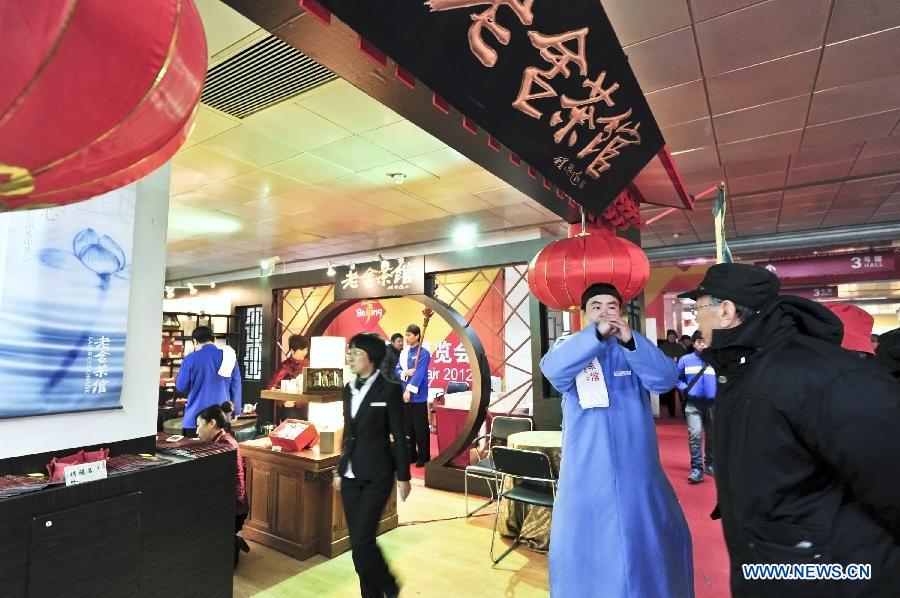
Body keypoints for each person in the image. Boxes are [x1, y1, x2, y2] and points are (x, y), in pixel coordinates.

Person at [679, 263, 900, 596]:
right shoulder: (744, 369)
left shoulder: (822, 376)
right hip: (778, 564)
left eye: (699, 307)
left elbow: (889, 479)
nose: (696, 318)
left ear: (725, 310)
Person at [540, 282, 693, 598]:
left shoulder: (634, 347)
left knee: (644, 546)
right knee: (586, 545)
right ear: (583, 315)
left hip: (636, 467)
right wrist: (594, 337)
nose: (605, 312)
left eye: (612, 306)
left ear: (622, 313)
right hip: (585, 470)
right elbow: (553, 371)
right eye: (596, 306)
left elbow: (665, 380)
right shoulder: (569, 348)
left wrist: (631, 341)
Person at [334, 332, 411, 598]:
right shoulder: (348, 389)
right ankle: (371, 594)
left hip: (377, 473)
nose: (351, 357)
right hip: (350, 475)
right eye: (350, 352)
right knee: (359, 544)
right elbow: (349, 432)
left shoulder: (389, 389)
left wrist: (404, 476)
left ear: (372, 358)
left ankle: (389, 586)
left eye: (356, 353)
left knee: (362, 540)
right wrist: (340, 468)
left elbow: (399, 434)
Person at [196, 400, 250, 567]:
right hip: (233, 506)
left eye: (199, 425)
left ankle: (232, 544)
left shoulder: (224, 445)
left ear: (212, 423)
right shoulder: (223, 440)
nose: (197, 430)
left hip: (233, 509)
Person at [176, 326, 241, 437]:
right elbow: (236, 386)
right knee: (220, 453)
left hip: (195, 420)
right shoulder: (229, 357)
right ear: (214, 339)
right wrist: (236, 410)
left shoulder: (190, 359)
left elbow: (181, 387)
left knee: (195, 453)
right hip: (222, 417)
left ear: (195, 341)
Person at [676, 330, 716, 484]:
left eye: (703, 341)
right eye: (698, 341)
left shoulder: (715, 360)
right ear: (693, 343)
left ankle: (710, 464)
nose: (701, 344)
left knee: (712, 436)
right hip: (693, 404)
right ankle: (697, 468)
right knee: (696, 435)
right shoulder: (685, 360)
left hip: (713, 404)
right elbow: (678, 379)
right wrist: (686, 390)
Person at [395, 324, 431, 467]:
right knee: (408, 428)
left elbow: (419, 374)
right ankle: (412, 455)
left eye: (410, 335)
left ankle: (424, 456)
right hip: (405, 395)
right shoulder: (404, 353)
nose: (407, 338)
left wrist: (409, 390)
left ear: (417, 336)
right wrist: (405, 373)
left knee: (420, 428)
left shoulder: (424, 353)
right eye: (406, 335)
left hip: (418, 396)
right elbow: (396, 370)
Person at [658, 329, 686, 417]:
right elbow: (659, 360)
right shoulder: (662, 347)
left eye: (674, 336)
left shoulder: (680, 347)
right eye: (670, 336)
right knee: (670, 394)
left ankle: (685, 412)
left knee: (683, 393)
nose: (672, 338)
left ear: (676, 337)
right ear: (667, 337)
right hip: (668, 374)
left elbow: (685, 359)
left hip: (680, 373)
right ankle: (672, 413)